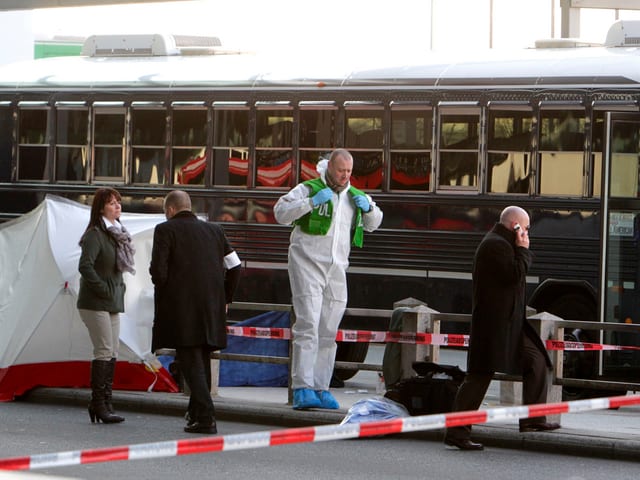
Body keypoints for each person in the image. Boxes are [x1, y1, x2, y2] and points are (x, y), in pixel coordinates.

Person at [273, 148, 383, 410]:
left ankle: (321, 387)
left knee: (329, 330)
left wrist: (368, 209)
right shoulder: (308, 189)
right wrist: (310, 203)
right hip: (306, 264)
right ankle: (302, 387)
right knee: (308, 325)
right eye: (340, 171)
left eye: (349, 172)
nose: (345, 176)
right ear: (329, 168)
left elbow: (374, 222)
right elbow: (280, 213)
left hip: (337, 269)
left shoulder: (353, 196)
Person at [444, 206, 560, 451]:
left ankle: (533, 419)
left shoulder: (503, 244)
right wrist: (523, 250)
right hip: (493, 327)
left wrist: (519, 250)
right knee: (478, 377)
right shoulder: (495, 246)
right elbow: (514, 274)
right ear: (514, 226)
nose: (528, 233)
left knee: (537, 360)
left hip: (512, 324)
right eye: (525, 228)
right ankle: (457, 432)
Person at [150, 190, 241, 434]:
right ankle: (196, 414)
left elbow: (158, 273)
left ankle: (207, 416)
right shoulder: (215, 231)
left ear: (170, 210)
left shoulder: (165, 230)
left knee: (190, 361)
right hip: (211, 307)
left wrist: (168, 290)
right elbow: (235, 265)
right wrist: (225, 297)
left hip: (182, 309)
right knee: (201, 359)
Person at [77, 187, 135, 424]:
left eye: (119, 202)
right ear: (101, 208)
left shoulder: (117, 234)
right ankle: (99, 404)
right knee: (103, 350)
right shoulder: (95, 234)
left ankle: (104, 402)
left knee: (112, 351)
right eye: (111, 203)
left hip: (112, 301)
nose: (117, 206)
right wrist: (103, 288)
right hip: (94, 302)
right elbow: (85, 266)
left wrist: (116, 290)